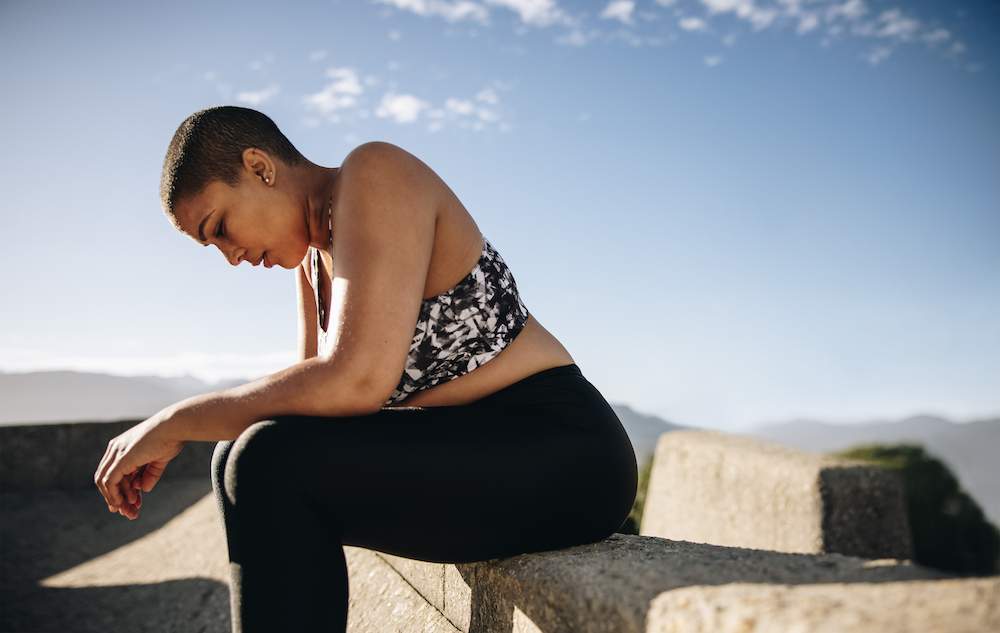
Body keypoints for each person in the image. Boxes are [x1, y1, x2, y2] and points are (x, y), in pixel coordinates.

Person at [94, 105, 637, 633]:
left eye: (220, 227)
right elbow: (307, 409)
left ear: (260, 168)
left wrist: (173, 421)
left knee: (263, 460)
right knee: (235, 456)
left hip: (561, 448)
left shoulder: (375, 172)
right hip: (470, 449)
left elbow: (355, 382)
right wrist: (194, 428)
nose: (230, 256)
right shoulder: (312, 265)